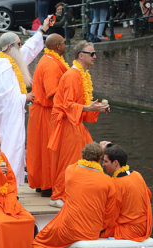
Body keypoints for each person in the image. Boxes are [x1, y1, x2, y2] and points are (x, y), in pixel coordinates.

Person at [0, 16, 51, 186]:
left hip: (13, 112)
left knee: (15, 145)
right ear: (9, 47)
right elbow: (3, 96)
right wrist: (24, 97)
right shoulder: (1, 67)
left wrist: (42, 30)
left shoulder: (12, 60)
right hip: (5, 114)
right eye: (18, 44)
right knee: (9, 145)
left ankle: (11, 181)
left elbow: (28, 49)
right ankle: (6, 182)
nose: (21, 47)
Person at [48, 40, 110, 207]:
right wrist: (88, 107)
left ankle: (79, 191)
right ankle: (59, 196)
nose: (95, 56)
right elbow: (67, 104)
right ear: (80, 56)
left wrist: (96, 108)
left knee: (87, 153)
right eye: (92, 54)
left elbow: (80, 104)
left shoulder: (83, 75)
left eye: (94, 53)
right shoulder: (71, 76)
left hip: (74, 121)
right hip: (66, 122)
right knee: (69, 159)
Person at [33, 142, 116, 248]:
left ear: (82, 156)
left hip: (69, 229)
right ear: (100, 159)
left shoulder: (70, 171)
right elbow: (110, 214)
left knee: (39, 243)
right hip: (92, 232)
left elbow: (78, 164)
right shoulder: (108, 181)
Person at [26, 34, 69, 197]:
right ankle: (47, 186)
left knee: (40, 148)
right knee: (48, 149)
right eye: (64, 43)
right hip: (46, 111)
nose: (66, 45)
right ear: (58, 46)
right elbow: (53, 93)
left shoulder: (48, 60)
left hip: (41, 110)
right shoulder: (51, 65)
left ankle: (41, 184)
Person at [101, 144, 153, 241]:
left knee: (93, 231)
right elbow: (148, 196)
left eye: (105, 161)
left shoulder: (115, 184)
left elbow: (111, 215)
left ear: (115, 163)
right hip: (145, 226)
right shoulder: (137, 175)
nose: (103, 165)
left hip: (129, 230)